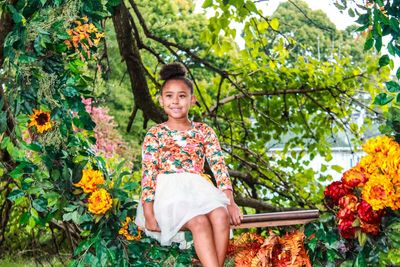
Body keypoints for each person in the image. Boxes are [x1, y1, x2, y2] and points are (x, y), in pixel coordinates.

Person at [135, 62, 242, 267]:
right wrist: (148, 212)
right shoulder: (155, 134)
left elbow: (219, 168)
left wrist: (231, 202)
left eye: (182, 96)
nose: (175, 101)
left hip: (198, 192)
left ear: (192, 100)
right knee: (200, 222)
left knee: (220, 214)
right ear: (161, 100)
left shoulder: (204, 131)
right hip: (167, 197)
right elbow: (148, 175)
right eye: (169, 96)